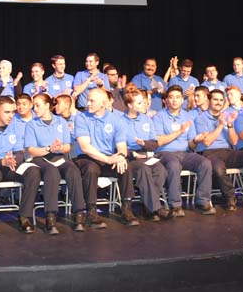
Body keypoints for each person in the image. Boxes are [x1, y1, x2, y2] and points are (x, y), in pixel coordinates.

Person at [0, 96, 41, 235]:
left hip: (12, 166)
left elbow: (19, 151)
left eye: (13, 111)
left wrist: (12, 160)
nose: (11, 115)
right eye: (7, 112)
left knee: (33, 171)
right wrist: (1, 162)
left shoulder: (16, 127)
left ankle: (24, 216)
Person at [74, 88, 139, 226]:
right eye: (88, 100)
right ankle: (91, 211)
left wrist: (121, 156)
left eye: (92, 101)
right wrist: (107, 159)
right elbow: (85, 147)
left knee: (124, 166)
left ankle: (126, 209)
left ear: (103, 104)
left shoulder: (117, 119)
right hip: (88, 156)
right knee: (91, 169)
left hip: (109, 156)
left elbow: (121, 145)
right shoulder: (81, 117)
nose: (88, 103)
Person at [24, 94, 87, 233]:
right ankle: (50, 216)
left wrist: (58, 148)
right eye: (34, 106)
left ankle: (79, 214)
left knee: (73, 169)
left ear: (47, 106)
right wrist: (48, 149)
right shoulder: (32, 124)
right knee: (51, 172)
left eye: (37, 105)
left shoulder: (61, 122)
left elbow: (67, 147)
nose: (35, 108)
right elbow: (31, 150)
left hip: (58, 156)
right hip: (41, 157)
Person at [153, 85, 215, 216]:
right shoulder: (159, 116)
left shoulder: (187, 116)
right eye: (171, 97)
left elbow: (191, 145)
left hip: (185, 153)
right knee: (174, 165)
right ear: (166, 100)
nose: (174, 100)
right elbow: (159, 141)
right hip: (165, 153)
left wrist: (196, 140)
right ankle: (175, 205)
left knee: (205, 163)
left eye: (177, 97)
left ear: (182, 100)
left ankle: (203, 201)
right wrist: (179, 131)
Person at [194, 89, 243, 211]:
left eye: (221, 100)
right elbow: (207, 142)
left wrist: (229, 125)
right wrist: (220, 125)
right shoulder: (201, 118)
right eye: (215, 99)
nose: (218, 102)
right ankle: (230, 196)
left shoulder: (227, 116)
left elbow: (234, 141)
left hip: (227, 151)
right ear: (209, 101)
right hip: (210, 152)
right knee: (218, 168)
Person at [121, 87, 172, 220]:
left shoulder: (147, 120)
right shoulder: (120, 121)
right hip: (130, 157)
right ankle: (156, 208)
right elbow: (116, 146)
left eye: (143, 102)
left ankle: (148, 206)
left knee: (160, 170)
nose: (143, 104)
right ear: (129, 105)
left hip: (147, 153)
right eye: (139, 103)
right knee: (143, 169)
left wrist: (144, 144)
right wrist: (133, 154)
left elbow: (154, 143)